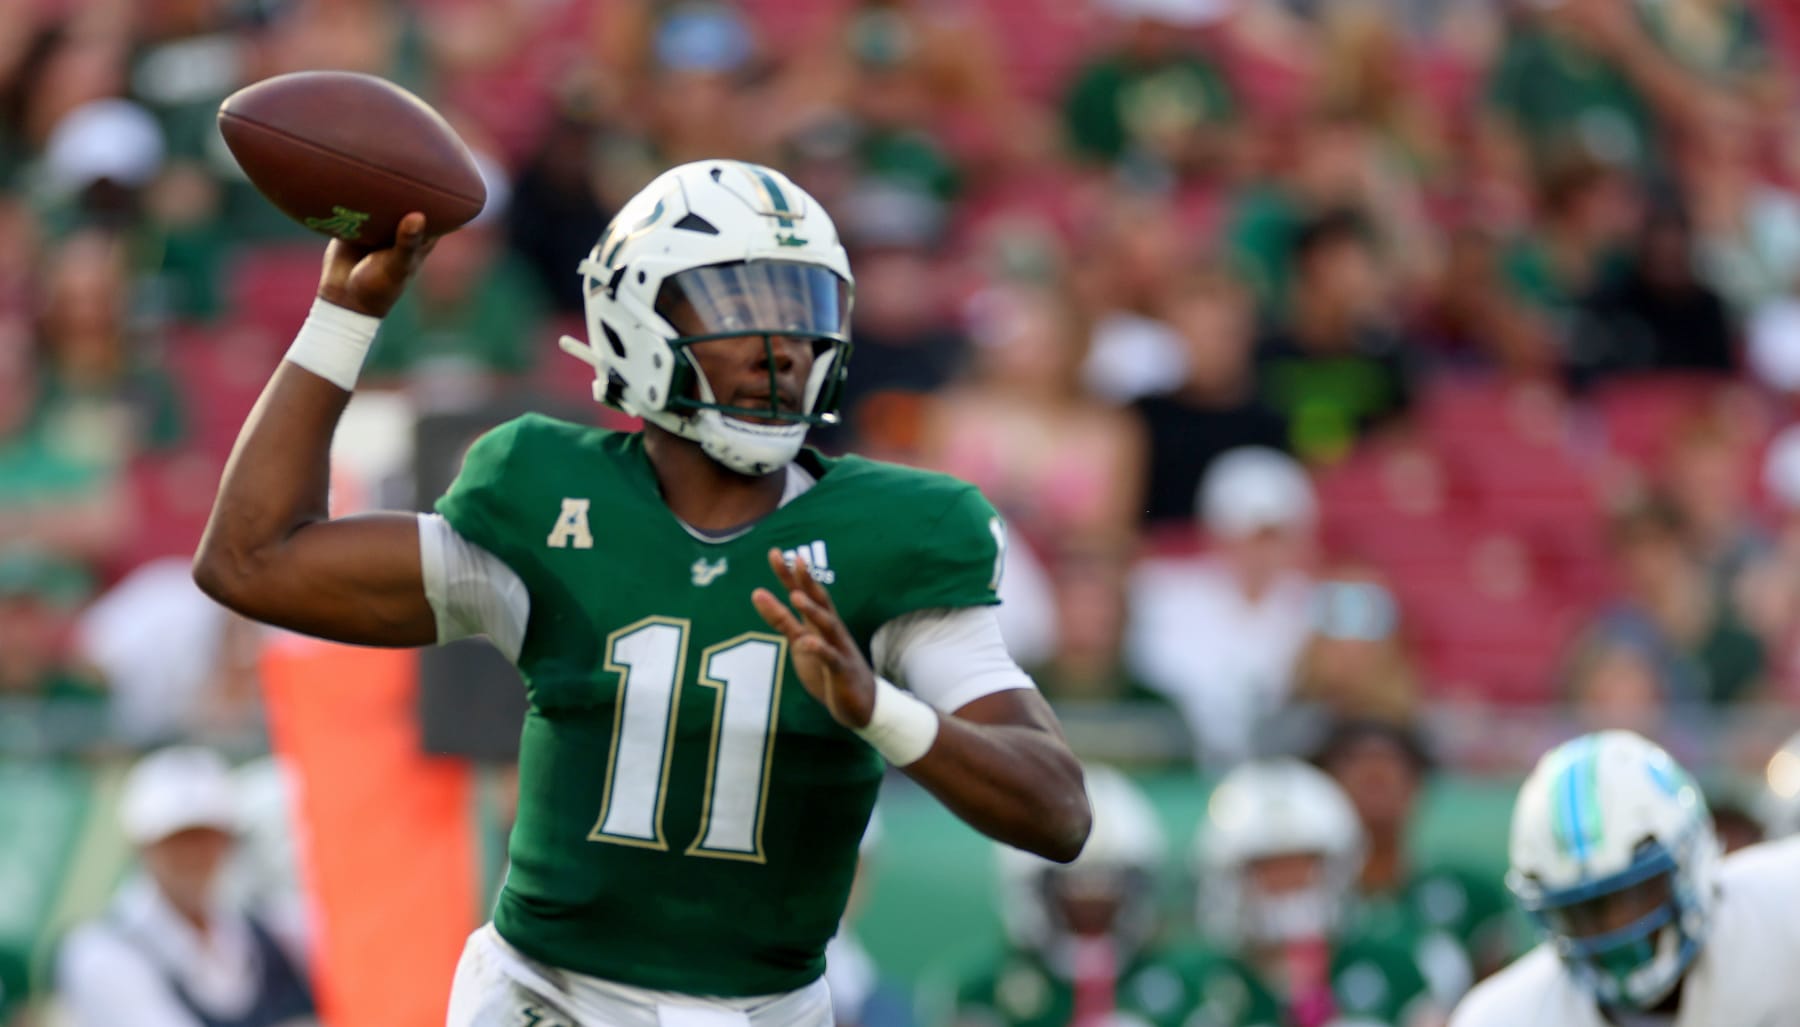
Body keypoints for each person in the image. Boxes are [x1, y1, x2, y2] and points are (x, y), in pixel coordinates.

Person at [191, 159, 1091, 1027]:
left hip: (767, 1011)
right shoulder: (548, 497)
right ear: (635, 316)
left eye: (801, 312)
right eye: (740, 310)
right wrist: (345, 315)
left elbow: (1058, 811)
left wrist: (881, 710)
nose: (780, 352)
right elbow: (252, 559)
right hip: (548, 999)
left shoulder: (893, 534)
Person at [1450, 729, 1800, 1026]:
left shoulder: (1785, 907)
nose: (1619, 927)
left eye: (1639, 893)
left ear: (1692, 863)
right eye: (1587, 909)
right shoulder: (1507, 1017)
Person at [55, 746, 318, 1027]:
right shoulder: (97, 953)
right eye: (176, 841)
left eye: (205, 837)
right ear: (142, 847)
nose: (193, 855)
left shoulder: (266, 932)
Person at [1189, 759, 1443, 1027]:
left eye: (1300, 866)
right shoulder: (1199, 981)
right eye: (1268, 869)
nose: (1287, 886)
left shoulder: (1392, 965)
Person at [953, 766, 1207, 1027]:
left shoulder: (1187, 985)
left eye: (1109, 883)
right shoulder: (984, 989)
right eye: (1071, 886)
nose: (1091, 901)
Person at [1313, 718, 1511, 991]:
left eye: (1392, 765)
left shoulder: (1471, 894)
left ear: (1418, 786)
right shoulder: (1306, 901)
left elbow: (1498, 999)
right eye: (1353, 764)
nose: (1374, 774)